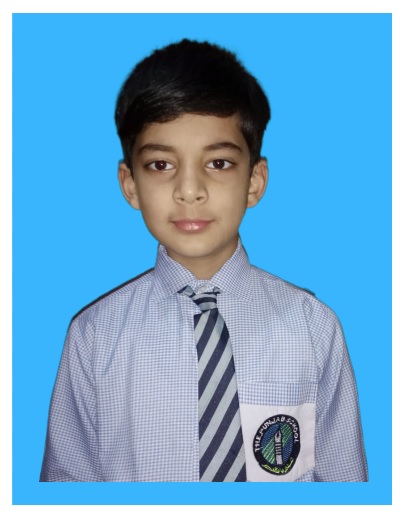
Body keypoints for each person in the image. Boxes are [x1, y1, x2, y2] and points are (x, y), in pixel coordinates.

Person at [40, 39, 367, 482]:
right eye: (161, 165)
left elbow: (345, 490)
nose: (190, 190)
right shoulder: (94, 336)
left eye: (218, 163)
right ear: (130, 184)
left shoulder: (313, 327)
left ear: (254, 182)